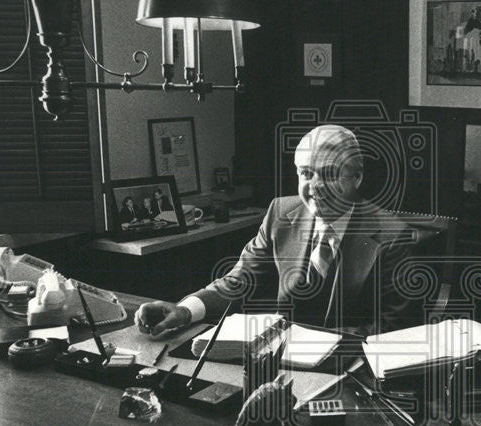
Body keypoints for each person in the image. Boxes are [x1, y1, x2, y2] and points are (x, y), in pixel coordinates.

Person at [135, 124, 418, 338]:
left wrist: (318, 344)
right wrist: (185, 311)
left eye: (329, 174)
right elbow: (240, 279)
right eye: (306, 174)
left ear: (356, 177)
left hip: (352, 371)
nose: (314, 187)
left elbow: (394, 330)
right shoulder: (280, 214)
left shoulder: (393, 236)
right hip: (281, 361)